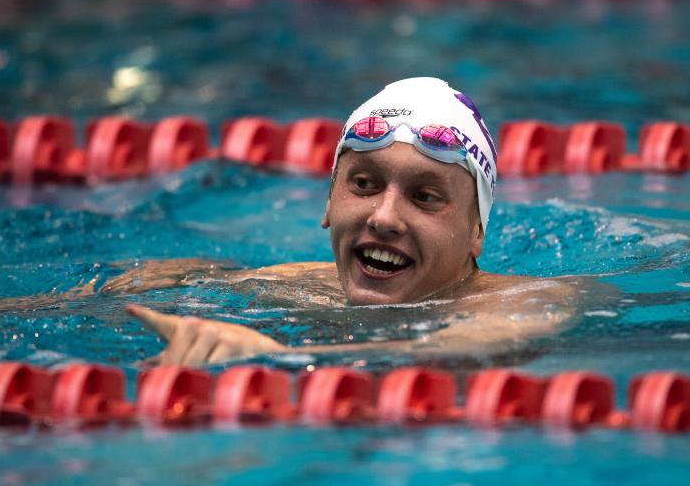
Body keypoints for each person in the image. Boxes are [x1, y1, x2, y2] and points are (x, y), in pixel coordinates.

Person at [122, 77, 587, 367]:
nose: (384, 218)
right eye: (363, 185)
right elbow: (195, 279)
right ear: (327, 202)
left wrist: (273, 356)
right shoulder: (301, 285)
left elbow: (451, 351)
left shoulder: (528, 302)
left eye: (425, 197)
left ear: (476, 231)